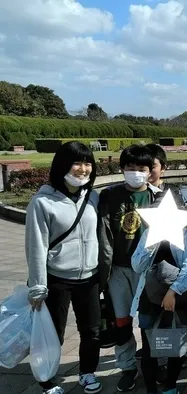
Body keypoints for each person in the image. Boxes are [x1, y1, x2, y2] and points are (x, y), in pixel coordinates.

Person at [25, 141, 102, 394]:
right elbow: (36, 246)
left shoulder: (93, 197)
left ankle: (87, 373)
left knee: (91, 331)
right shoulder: (42, 202)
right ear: (62, 165)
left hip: (89, 276)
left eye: (88, 162)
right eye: (77, 162)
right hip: (57, 277)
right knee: (53, 333)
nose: (83, 169)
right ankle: (47, 379)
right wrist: (38, 286)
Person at [97, 144, 161, 391]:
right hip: (118, 269)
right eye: (130, 167)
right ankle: (127, 367)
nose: (136, 172)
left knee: (151, 320)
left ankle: (156, 363)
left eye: (141, 168)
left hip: (148, 270)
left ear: (149, 171)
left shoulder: (158, 198)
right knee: (121, 320)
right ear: (122, 169)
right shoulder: (108, 196)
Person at [129, 196, 187, 394]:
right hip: (149, 298)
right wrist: (152, 243)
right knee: (149, 347)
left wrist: (172, 292)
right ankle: (151, 389)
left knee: (174, 345)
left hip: (175, 299)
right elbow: (137, 265)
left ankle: (170, 387)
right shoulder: (149, 234)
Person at [146, 143, 187, 210]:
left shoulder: (173, 191)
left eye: (152, 167)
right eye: (143, 167)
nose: (147, 171)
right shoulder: (127, 190)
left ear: (163, 168)